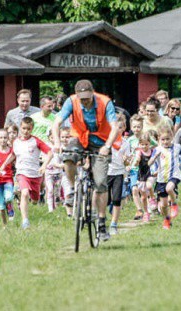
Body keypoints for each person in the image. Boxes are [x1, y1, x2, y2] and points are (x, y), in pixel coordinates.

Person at [51, 79, 121, 239]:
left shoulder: (105, 102)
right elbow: (56, 123)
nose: (85, 101)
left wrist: (108, 146)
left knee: (101, 183)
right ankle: (73, 190)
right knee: (68, 156)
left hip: (101, 143)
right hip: (80, 139)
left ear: (93, 93)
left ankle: (102, 224)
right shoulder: (71, 102)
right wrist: (56, 143)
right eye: (81, 98)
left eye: (87, 98)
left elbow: (115, 126)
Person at [1, 117, 52, 230]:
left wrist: (44, 165)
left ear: (32, 128)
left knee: (34, 200)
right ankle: (25, 221)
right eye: (24, 128)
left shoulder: (36, 141)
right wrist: (4, 164)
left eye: (28, 129)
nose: (26, 131)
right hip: (22, 173)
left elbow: (49, 152)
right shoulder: (16, 142)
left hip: (35, 174)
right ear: (20, 127)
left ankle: (32, 199)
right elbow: (13, 155)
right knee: (24, 193)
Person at [149, 126, 181, 229]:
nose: (165, 141)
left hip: (174, 175)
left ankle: (174, 204)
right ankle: (167, 220)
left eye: (168, 139)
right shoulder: (157, 149)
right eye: (163, 139)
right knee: (163, 205)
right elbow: (149, 163)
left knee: (169, 188)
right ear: (159, 139)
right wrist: (154, 157)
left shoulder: (177, 147)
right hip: (161, 178)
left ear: (171, 137)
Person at [107, 115, 130, 234]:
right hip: (106, 172)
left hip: (118, 173)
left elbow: (127, 162)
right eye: (115, 127)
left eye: (120, 127)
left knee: (116, 199)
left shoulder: (125, 143)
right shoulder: (106, 141)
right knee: (106, 199)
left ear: (124, 128)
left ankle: (113, 224)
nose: (117, 130)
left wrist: (126, 160)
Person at [132, 131, 155, 223]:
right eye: (142, 144)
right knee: (143, 197)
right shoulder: (139, 152)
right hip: (141, 175)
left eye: (146, 144)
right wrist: (136, 161)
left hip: (150, 173)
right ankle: (146, 213)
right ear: (139, 144)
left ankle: (153, 199)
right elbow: (137, 158)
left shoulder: (153, 151)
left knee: (149, 186)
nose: (144, 146)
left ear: (149, 143)